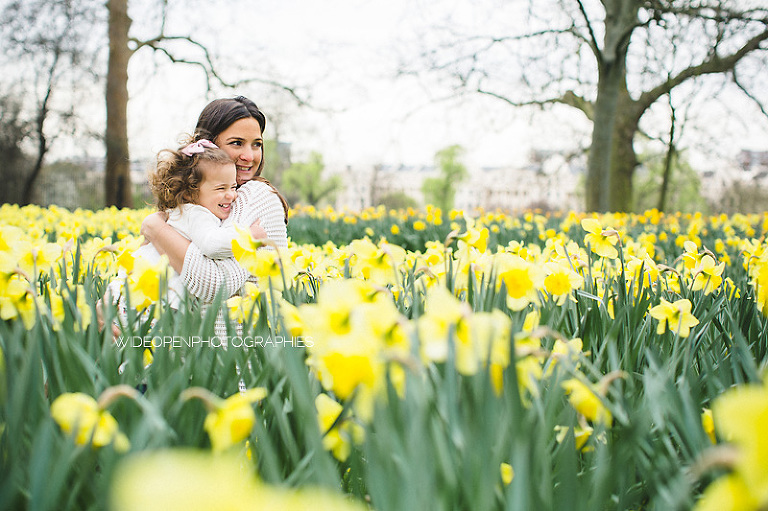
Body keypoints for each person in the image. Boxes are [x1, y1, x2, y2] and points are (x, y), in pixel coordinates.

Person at [140, 96, 289, 336]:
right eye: (237, 143)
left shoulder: (256, 196)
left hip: (234, 357)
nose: (249, 156)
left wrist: (155, 229)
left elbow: (214, 285)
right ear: (208, 146)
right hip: (192, 356)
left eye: (257, 144)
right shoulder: (203, 200)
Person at [105, 140, 264, 323]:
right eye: (221, 188)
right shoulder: (196, 213)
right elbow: (211, 244)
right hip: (153, 299)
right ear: (189, 193)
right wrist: (249, 236)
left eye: (233, 187)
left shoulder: (184, 212)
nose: (232, 195)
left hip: (136, 292)